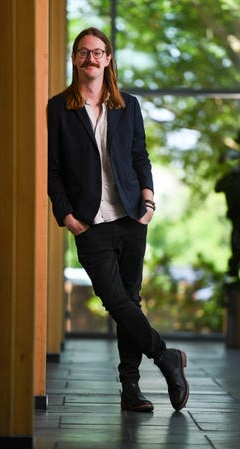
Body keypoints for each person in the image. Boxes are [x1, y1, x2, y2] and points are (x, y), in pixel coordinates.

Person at [48, 27, 189, 412]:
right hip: (89, 223)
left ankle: (131, 389)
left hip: (130, 216)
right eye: (82, 52)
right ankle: (166, 357)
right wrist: (66, 216)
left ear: (108, 59)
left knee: (129, 300)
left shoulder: (129, 105)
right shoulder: (59, 108)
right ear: (75, 59)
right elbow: (54, 168)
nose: (90, 58)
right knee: (115, 301)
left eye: (97, 52)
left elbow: (140, 155)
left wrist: (149, 200)